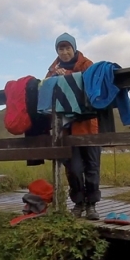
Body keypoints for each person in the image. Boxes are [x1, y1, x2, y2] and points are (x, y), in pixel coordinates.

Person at [46, 32, 101, 220]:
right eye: (60, 49)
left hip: (87, 125)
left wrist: (67, 76)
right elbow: (45, 88)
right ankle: (78, 203)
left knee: (92, 166)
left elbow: (90, 82)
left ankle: (92, 205)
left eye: (67, 47)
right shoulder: (53, 69)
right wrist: (55, 76)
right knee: (74, 168)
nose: (64, 52)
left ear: (74, 48)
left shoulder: (87, 64)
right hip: (66, 128)